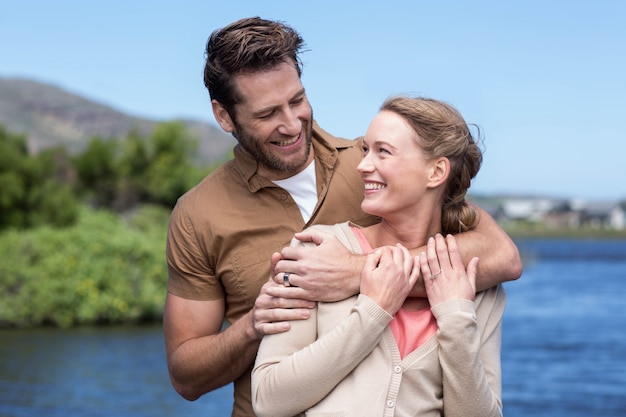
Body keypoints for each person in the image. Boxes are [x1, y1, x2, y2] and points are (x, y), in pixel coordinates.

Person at [164, 17, 521, 417]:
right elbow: (186, 376)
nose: (290, 123)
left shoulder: (372, 174)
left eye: (297, 100)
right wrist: (253, 325)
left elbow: (501, 256)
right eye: (267, 114)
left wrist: (355, 272)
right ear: (225, 117)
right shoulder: (197, 215)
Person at [252, 96, 506, 417]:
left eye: (383, 151)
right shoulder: (317, 252)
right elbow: (268, 401)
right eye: (365, 150)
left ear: (436, 172)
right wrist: (374, 312)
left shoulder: (475, 283)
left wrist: (456, 319)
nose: (362, 165)